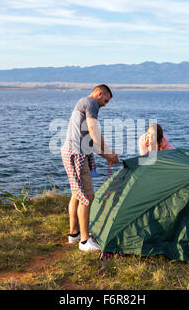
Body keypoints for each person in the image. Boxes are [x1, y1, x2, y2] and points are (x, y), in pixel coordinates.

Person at [61, 84, 119, 252]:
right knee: (88, 196)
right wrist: (109, 153)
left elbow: (89, 142)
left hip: (70, 152)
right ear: (99, 93)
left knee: (76, 194)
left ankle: (74, 235)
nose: (105, 104)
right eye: (106, 100)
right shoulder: (91, 103)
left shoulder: (82, 104)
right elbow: (94, 133)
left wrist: (107, 156)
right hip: (77, 155)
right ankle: (85, 241)